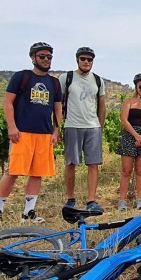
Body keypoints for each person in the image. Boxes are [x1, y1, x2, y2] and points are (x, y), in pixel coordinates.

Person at [0, 42, 62, 224]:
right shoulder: (22, 77)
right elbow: (8, 103)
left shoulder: (54, 83)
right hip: (22, 133)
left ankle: (28, 212)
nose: (46, 60)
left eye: (49, 57)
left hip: (44, 134)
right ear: (33, 58)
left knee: (37, 173)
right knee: (13, 171)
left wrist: (56, 130)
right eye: (42, 56)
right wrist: (12, 127)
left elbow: (58, 109)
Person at [59, 46, 107, 215]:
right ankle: (70, 199)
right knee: (71, 163)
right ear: (77, 60)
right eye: (83, 59)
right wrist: (57, 126)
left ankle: (91, 201)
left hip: (93, 127)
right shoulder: (66, 78)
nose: (86, 62)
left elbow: (102, 105)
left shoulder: (98, 80)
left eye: (89, 59)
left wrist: (100, 126)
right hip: (72, 125)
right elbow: (58, 103)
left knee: (93, 164)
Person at [117, 73, 141, 211]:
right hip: (129, 137)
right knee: (126, 170)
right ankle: (122, 201)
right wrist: (136, 136)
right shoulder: (128, 102)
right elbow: (124, 120)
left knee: (140, 170)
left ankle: (140, 199)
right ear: (136, 87)